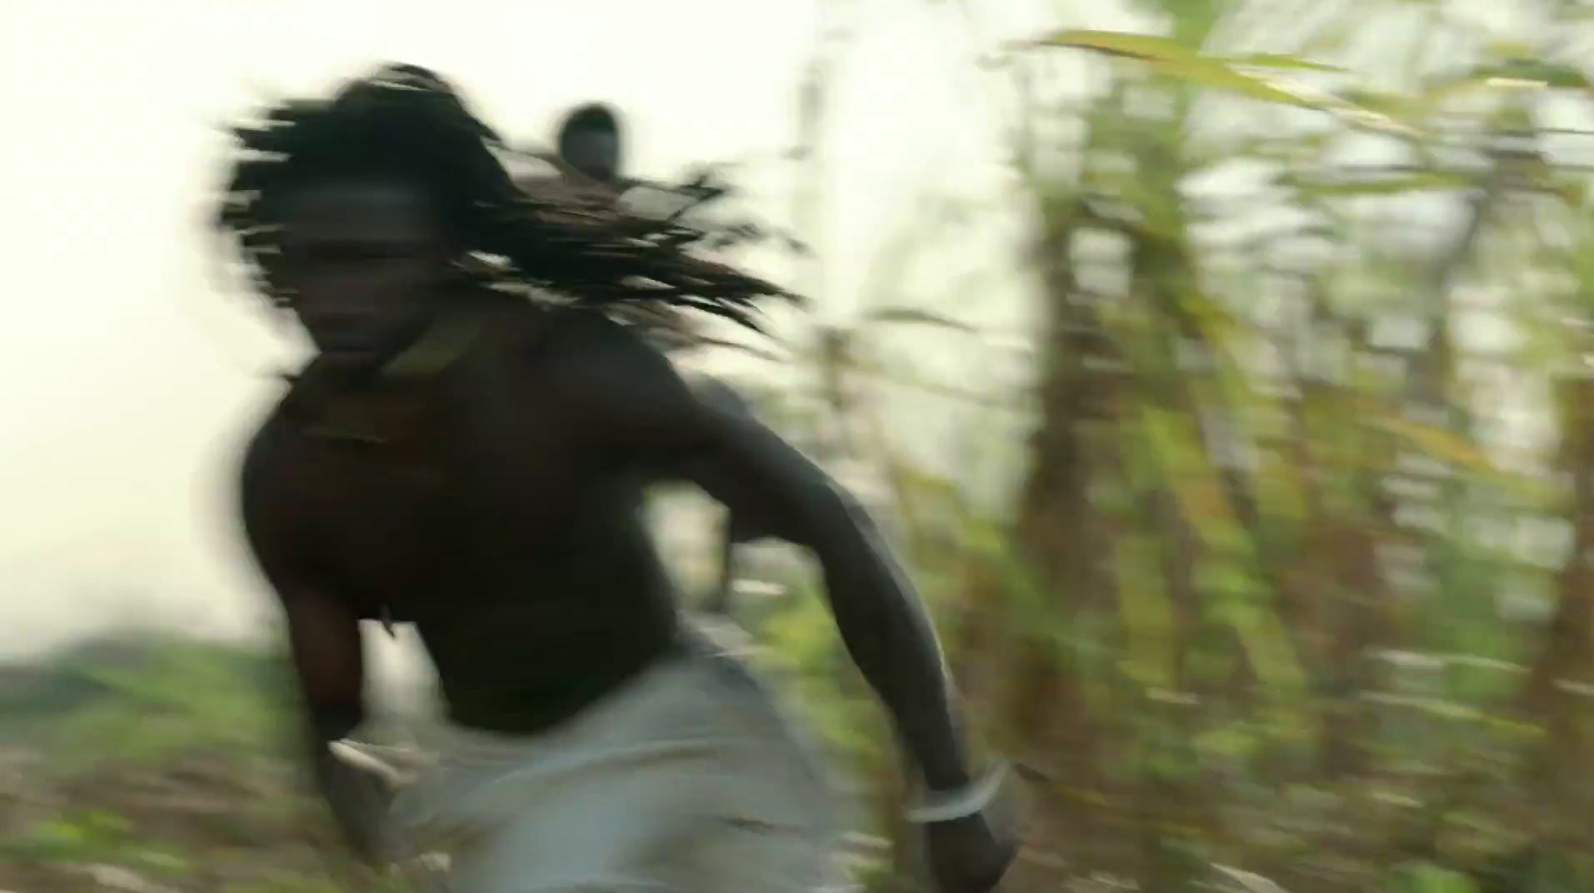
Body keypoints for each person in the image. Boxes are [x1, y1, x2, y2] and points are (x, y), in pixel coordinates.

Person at [218, 63, 1017, 893]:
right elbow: (331, 710)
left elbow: (834, 524)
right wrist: (366, 812)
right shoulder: (291, 474)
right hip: (514, 789)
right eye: (315, 263)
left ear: (442, 251)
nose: (338, 297)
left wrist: (952, 789)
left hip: (694, 739)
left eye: (371, 260)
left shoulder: (572, 373)